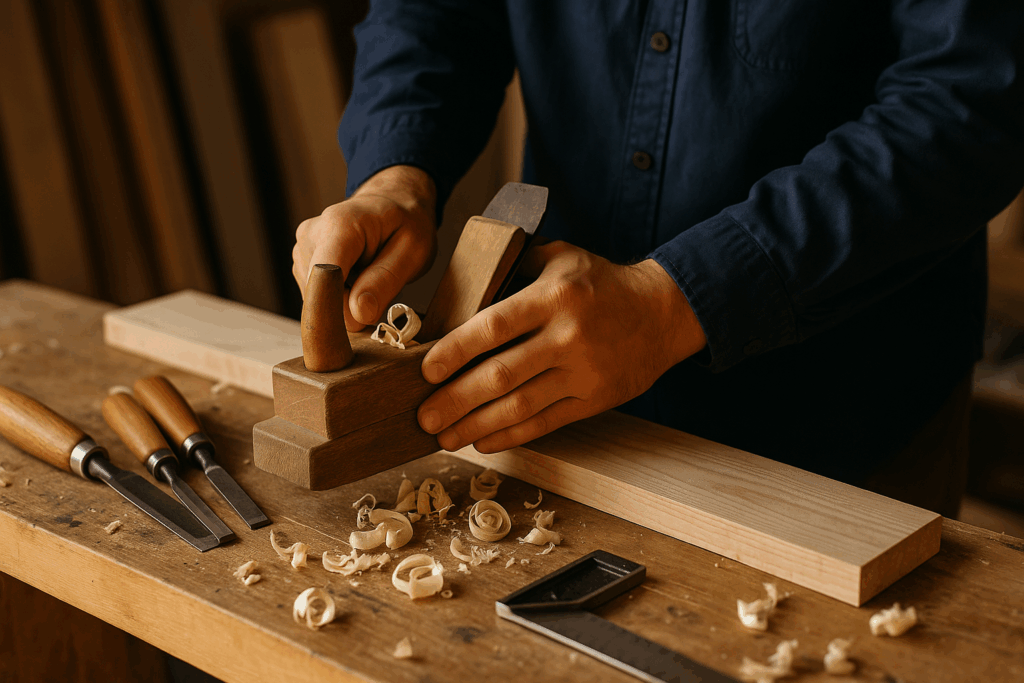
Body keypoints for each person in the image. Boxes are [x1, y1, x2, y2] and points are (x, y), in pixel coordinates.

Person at [292, 1, 1024, 518]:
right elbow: (436, 14)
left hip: (841, 409)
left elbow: (972, 95)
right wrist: (397, 175)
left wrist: (675, 301)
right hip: (563, 398)